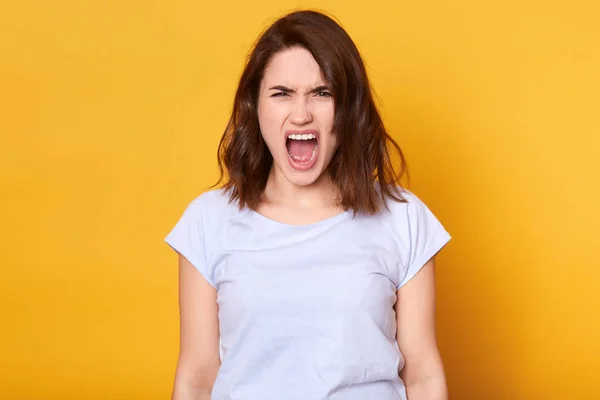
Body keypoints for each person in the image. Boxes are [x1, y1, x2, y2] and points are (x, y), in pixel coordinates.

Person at [165, 9, 451, 400]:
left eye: (322, 93)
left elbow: (422, 374)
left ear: (348, 109)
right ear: (256, 106)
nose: (301, 115)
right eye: (282, 94)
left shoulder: (404, 218)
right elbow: (198, 377)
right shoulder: (207, 220)